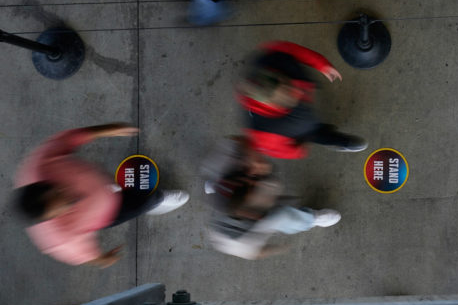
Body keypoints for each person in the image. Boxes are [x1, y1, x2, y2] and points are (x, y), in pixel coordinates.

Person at [13, 124, 189, 267]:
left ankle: (137, 196)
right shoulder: (60, 239)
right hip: (110, 212)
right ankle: (157, 201)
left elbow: (68, 139)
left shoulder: (39, 164)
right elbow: (83, 255)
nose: (67, 194)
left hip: (100, 184)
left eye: (58, 190)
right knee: (144, 202)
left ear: (43, 184)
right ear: (51, 218)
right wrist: (103, 259)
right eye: (64, 204)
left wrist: (107, 130)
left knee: (126, 191)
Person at [205, 136, 340, 260]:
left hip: (249, 193)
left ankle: (273, 197)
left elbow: (237, 141)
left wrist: (253, 157)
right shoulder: (232, 237)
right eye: (250, 188)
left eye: (247, 180)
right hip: (259, 219)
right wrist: (277, 249)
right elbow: (254, 253)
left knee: (271, 184)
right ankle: (312, 219)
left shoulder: (221, 164)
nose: (254, 182)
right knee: (283, 217)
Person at [236, 41, 367, 159]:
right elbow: (284, 151)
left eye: (286, 83)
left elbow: (291, 50)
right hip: (304, 128)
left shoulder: (271, 57)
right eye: (286, 94)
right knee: (314, 133)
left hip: (301, 118)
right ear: (270, 103)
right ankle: (339, 141)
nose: (295, 91)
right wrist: (299, 150)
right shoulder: (263, 134)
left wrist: (321, 64)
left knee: (309, 125)